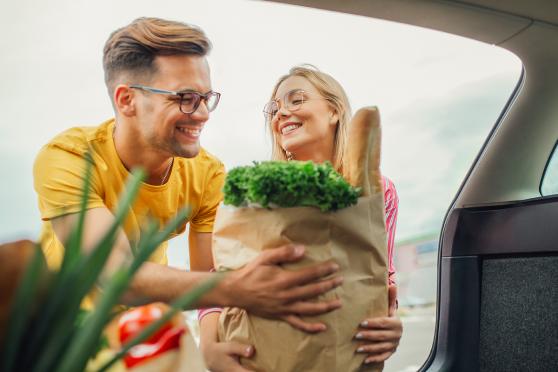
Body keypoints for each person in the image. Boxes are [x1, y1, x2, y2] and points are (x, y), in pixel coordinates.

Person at [33, 18, 343, 327]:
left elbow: (211, 279)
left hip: (149, 333)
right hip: (62, 339)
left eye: (206, 98)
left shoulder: (207, 174)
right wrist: (237, 289)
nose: (203, 114)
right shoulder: (68, 157)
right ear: (127, 100)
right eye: (185, 99)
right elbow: (118, 274)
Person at [199, 66, 402, 370]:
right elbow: (222, 274)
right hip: (265, 352)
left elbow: (380, 274)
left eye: (296, 100)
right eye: (275, 108)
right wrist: (209, 346)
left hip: (343, 350)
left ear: (334, 111)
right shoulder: (260, 191)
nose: (281, 114)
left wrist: (392, 323)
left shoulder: (378, 191)